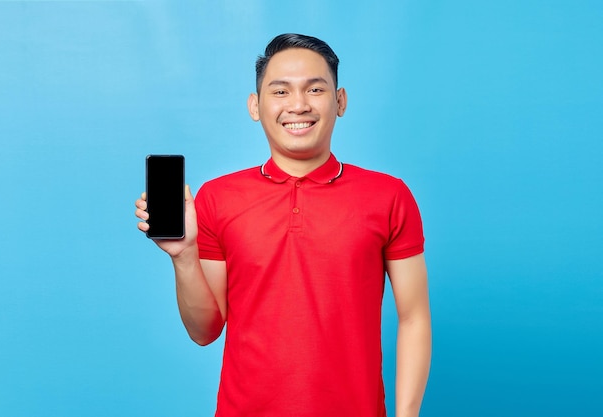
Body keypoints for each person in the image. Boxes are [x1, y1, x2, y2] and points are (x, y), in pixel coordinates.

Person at [135, 33, 431, 417]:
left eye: (315, 89)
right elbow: (204, 331)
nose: (298, 105)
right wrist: (184, 255)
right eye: (280, 92)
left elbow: (414, 317)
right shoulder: (217, 197)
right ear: (255, 106)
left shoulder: (388, 196)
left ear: (339, 101)